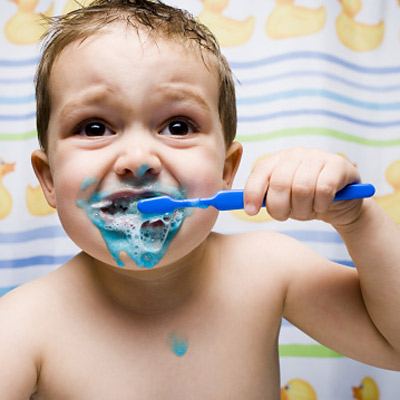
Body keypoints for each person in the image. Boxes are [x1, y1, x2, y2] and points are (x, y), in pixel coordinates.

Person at [1, 0, 400, 398]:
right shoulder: (23, 325)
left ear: (226, 171)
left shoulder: (268, 271)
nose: (138, 160)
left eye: (178, 126)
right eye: (94, 127)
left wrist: (358, 220)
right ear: (48, 179)